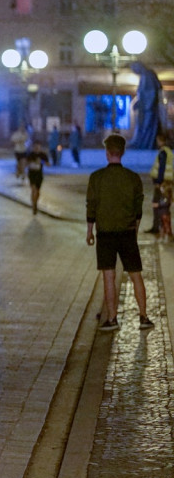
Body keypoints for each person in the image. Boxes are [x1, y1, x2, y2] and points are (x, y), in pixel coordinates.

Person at [86, 134, 153, 331]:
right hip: (127, 233)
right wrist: (135, 229)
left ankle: (112, 319)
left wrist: (90, 232)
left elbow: (91, 207)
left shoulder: (96, 178)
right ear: (122, 153)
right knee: (135, 274)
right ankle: (143, 317)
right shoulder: (133, 178)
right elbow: (138, 209)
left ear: (107, 154)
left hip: (105, 233)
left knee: (108, 276)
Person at [145, 132, 173, 234]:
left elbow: (161, 169)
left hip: (162, 184)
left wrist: (158, 182)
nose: (157, 142)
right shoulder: (169, 152)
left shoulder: (163, 153)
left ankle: (159, 227)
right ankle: (163, 227)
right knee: (164, 204)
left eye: (158, 140)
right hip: (168, 183)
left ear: (161, 141)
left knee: (158, 204)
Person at [26, 141, 50, 215]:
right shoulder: (30, 154)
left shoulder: (43, 155)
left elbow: (48, 164)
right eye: (35, 147)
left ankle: (35, 202)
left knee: (38, 191)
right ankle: (34, 204)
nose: (36, 148)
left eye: (38, 146)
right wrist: (31, 162)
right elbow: (26, 163)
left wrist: (41, 162)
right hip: (32, 174)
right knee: (34, 190)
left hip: (39, 174)